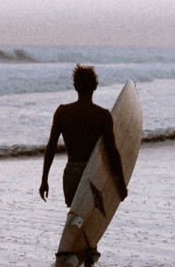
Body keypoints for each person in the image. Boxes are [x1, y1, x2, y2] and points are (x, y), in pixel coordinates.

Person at [39, 64, 127, 255]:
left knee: (76, 218)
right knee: (91, 221)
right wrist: (121, 183)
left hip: (71, 173)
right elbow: (112, 152)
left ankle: (71, 264)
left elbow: (51, 147)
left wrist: (44, 179)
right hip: (93, 175)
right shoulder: (102, 116)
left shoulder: (62, 112)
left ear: (75, 86)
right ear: (95, 86)